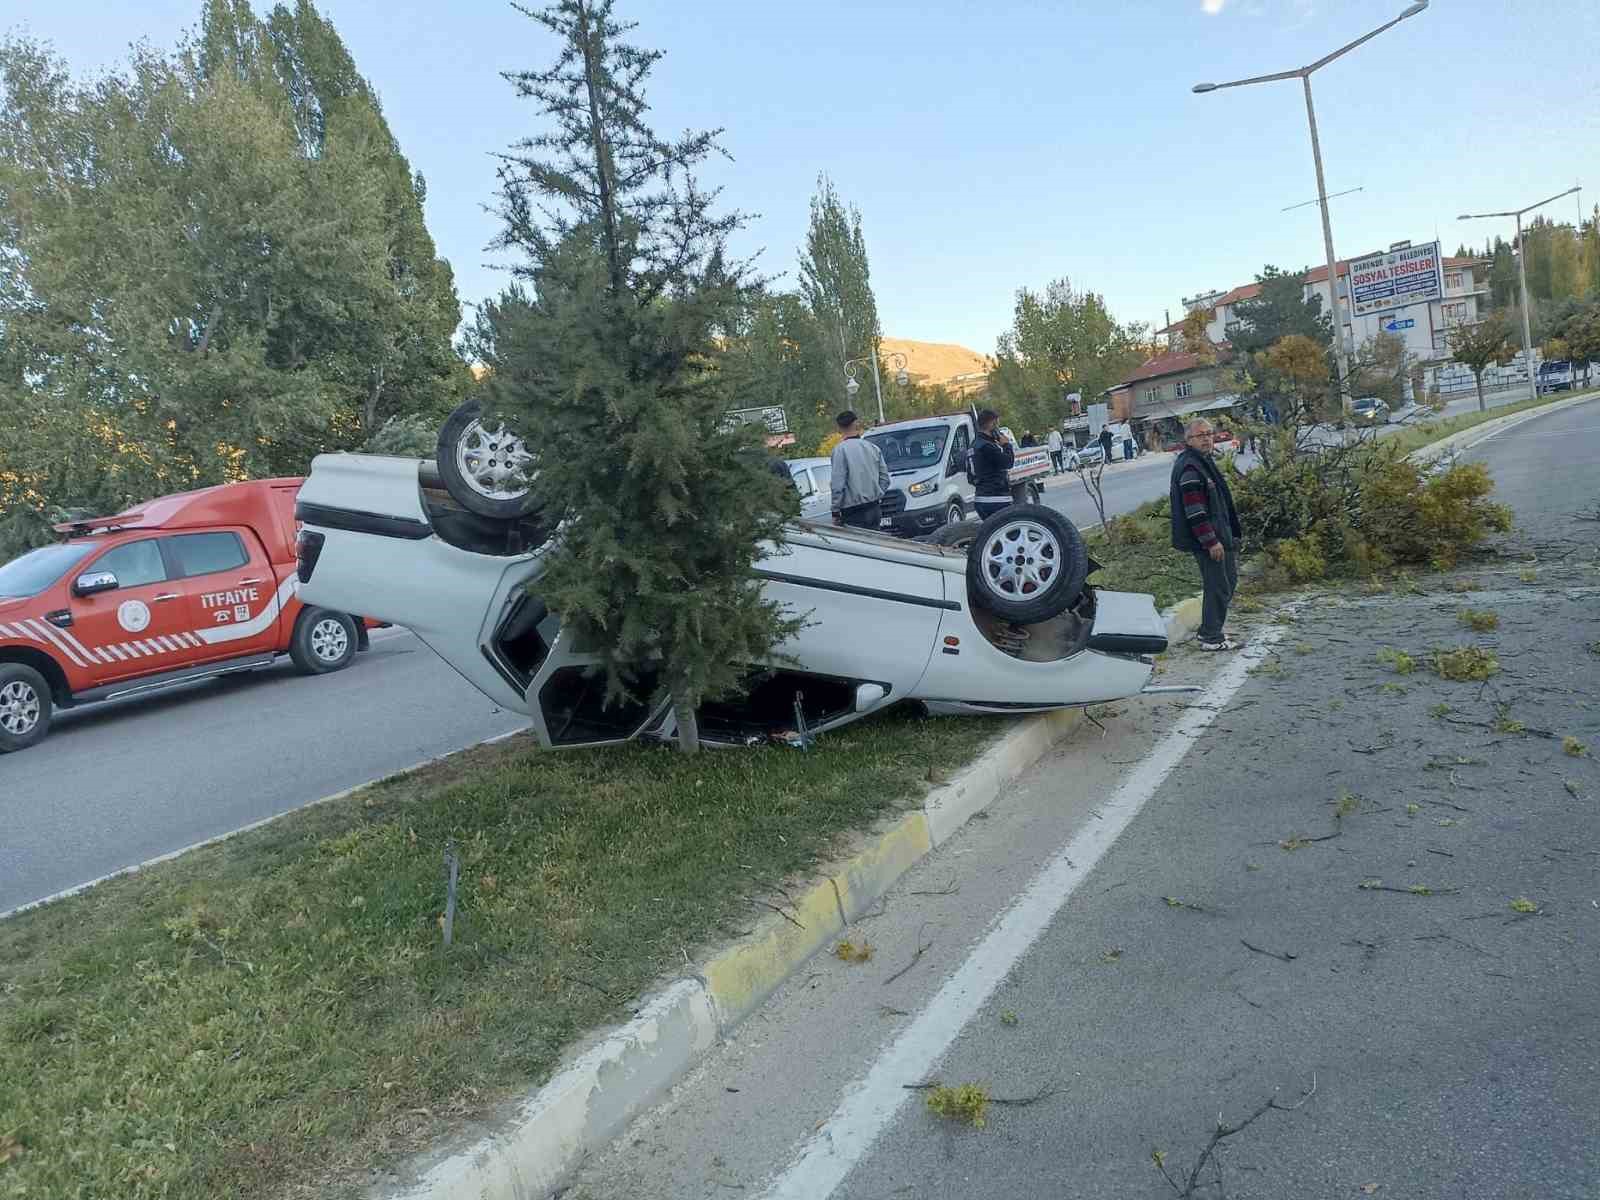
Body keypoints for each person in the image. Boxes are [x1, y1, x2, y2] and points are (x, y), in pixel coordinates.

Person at [1170, 418, 1242, 651]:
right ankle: (1211, 637)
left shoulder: (1204, 462)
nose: (1206, 438)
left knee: (1226, 582)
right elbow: (1194, 511)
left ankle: (1210, 630)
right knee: (1218, 586)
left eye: (1209, 434)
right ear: (1188, 440)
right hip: (1208, 541)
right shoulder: (1191, 467)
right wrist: (1211, 541)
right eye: (1200, 435)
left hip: (1220, 536)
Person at [829, 410, 890, 530]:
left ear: (839, 427)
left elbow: (838, 485)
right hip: (874, 508)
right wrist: (877, 496)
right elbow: (885, 479)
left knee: (859, 546)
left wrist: (835, 511)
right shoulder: (872, 447)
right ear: (856, 424)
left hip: (853, 512)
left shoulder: (840, 451)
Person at [971, 409, 1015, 520]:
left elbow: (970, 477)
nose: (999, 429)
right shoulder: (987, 446)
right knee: (1010, 531)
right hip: (997, 499)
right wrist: (1006, 445)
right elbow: (1008, 462)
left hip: (980, 499)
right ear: (992, 424)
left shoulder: (974, 445)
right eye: (997, 425)